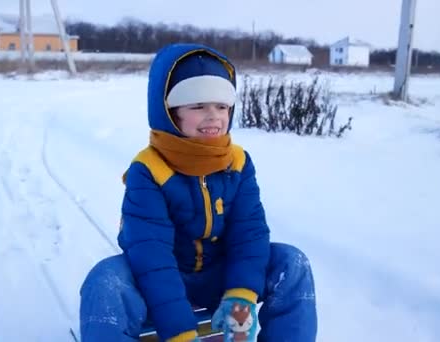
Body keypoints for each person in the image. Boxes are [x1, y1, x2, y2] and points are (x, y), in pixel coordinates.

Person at [79, 43, 317, 342]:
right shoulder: (150, 169)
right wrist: (179, 331)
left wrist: (241, 295)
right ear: (169, 112)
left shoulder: (238, 163)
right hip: (163, 277)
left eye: (221, 106)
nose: (213, 116)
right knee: (105, 281)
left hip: (219, 273)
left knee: (291, 263)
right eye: (198, 106)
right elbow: (152, 255)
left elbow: (249, 232)